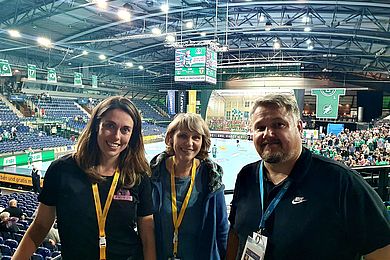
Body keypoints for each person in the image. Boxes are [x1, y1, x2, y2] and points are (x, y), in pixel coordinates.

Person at [226, 94, 390, 260]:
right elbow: (235, 235)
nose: (268, 134)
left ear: (299, 127)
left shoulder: (340, 181)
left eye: (279, 124)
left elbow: (382, 249)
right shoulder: (246, 176)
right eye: (260, 127)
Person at [13, 96, 156, 260]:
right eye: (110, 126)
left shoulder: (138, 175)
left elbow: (147, 235)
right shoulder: (61, 170)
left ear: (132, 135)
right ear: (97, 126)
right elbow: (40, 226)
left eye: (125, 130)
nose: (116, 136)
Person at [150, 113, 228, 260]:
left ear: (202, 141)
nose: (189, 143)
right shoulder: (154, 175)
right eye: (183, 136)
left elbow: (221, 228)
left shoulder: (211, 177)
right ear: (170, 137)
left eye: (196, 137)